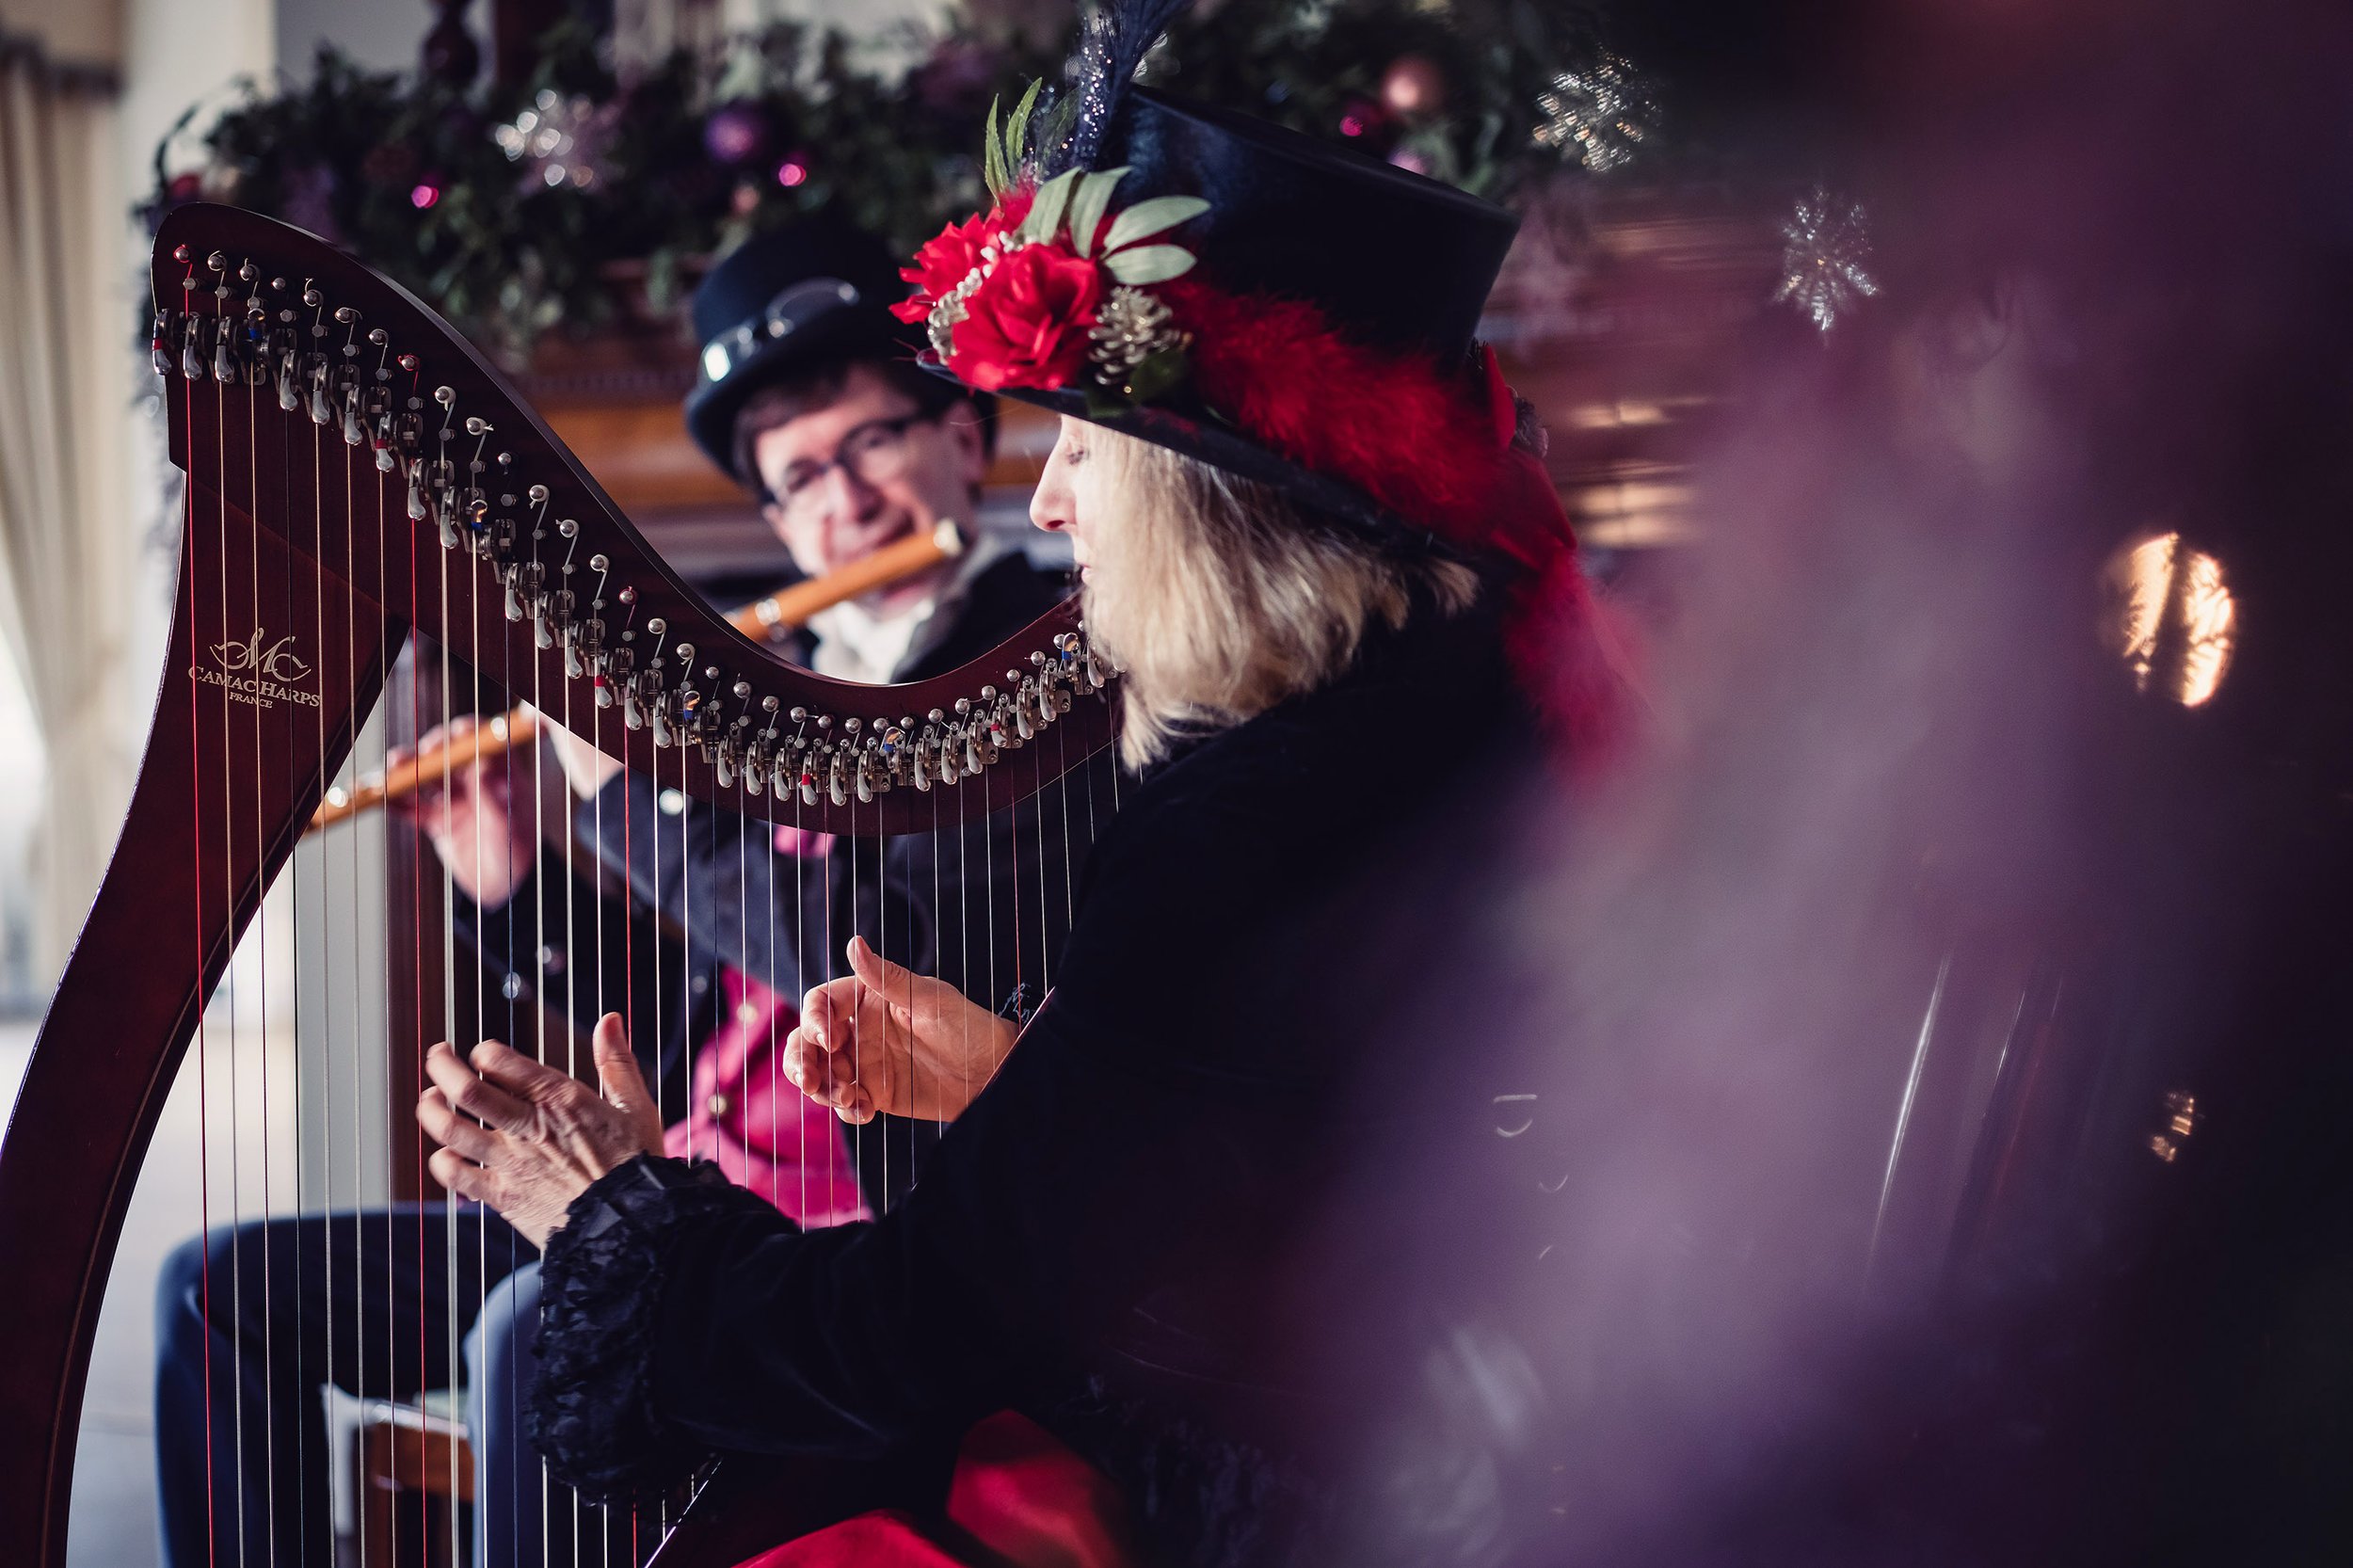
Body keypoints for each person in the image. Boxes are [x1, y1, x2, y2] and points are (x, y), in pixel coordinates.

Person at [412, 73, 1608, 1568]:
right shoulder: (1406, 727)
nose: (1047, 504)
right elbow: (1264, 1157)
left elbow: (918, 1329)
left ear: (1200, 494)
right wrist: (1010, 1076)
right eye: (797, 478)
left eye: (1082, 450)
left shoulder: (1240, 819)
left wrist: (611, 1217)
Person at [154, 214, 1087, 1568]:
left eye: (872, 442)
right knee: (219, 1288)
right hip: (681, 1180)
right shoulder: (772, 689)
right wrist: (515, 882)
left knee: (529, 1326)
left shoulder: (1030, 686)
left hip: (837, 1243)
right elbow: (696, 1023)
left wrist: (622, 801)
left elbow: (874, 961)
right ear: (775, 515)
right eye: (801, 475)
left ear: (961, 434)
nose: (845, 499)